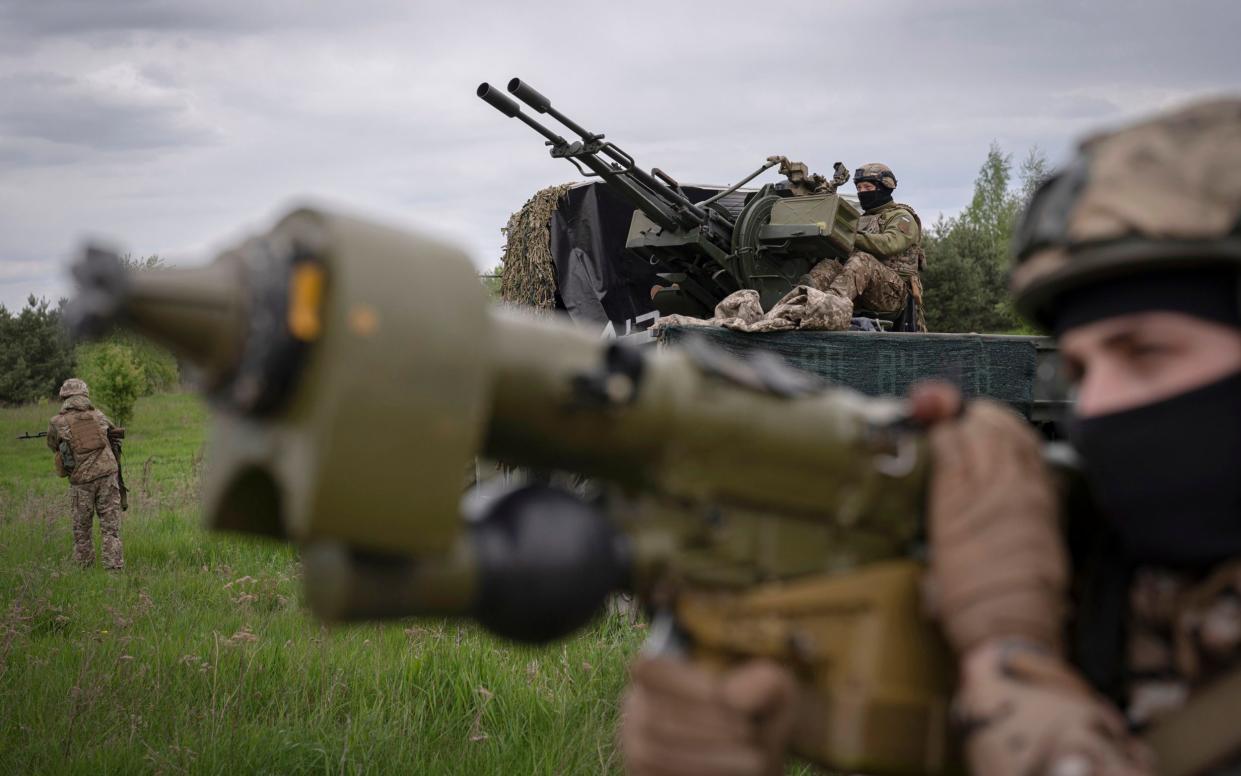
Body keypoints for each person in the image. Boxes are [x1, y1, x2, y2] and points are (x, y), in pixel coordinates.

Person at [620, 98, 1241, 775]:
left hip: (891, 291)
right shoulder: (1135, 599)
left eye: (1146, 353)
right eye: (1080, 367)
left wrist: (1004, 659)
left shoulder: (898, 220)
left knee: (847, 269)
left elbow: (879, 250)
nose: (1095, 404)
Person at [798, 162, 928, 330]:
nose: (862, 193)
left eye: (867, 187)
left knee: (862, 260)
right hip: (861, 290)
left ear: (885, 187)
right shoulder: (860, 219)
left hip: (894, 296)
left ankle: (828, 307)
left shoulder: (902, 217)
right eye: (859, 189)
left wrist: (849, 236)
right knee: (830, 264)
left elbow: (888, 244)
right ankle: (803, 301)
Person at [46, 378, 125, 570]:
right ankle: (114, 570)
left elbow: (52, 445)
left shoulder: (57, 421)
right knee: (111, 528)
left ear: (64, 398)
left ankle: (84, 569)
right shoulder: (98, 415)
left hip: (82, 481)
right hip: (108, 476)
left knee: (82, 530)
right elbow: (113, 432)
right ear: (85, 396)